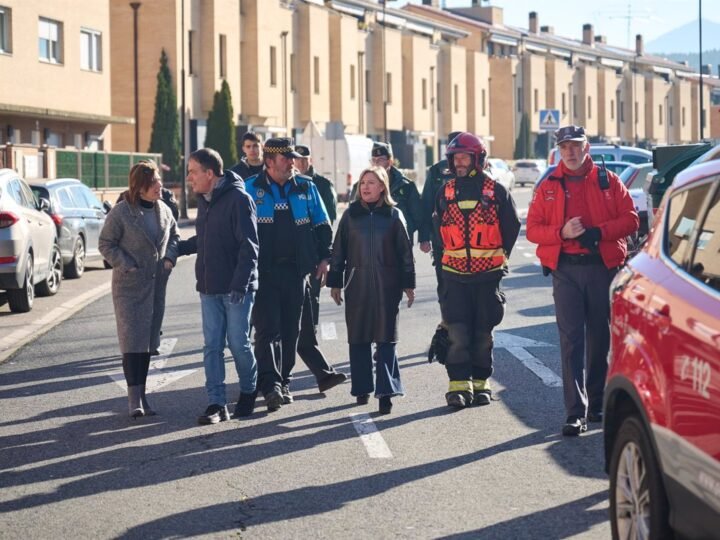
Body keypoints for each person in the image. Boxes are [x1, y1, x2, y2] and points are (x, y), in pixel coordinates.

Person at [526, 125, 638, 436]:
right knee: (571, 341)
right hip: (565, 270)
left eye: (575, 145)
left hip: (602, 268)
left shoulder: (608, 181)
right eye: (564, 147)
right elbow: (533, 229)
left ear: (586, 146)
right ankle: (575, 412)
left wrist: (598, 233)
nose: (570, 152)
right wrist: (561, 233)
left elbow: (631, 219)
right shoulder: (548, 184)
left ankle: (598, 403)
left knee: (600, 338)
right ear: (558, 151)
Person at [245, 137, 333, 411]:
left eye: (293, 158)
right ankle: (270, 384)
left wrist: (325, 258)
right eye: (286, 158)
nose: (293, 163)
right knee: (266, 330)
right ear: (269, 162)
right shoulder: (249, 189)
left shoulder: (307, 187)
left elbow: (322, 225)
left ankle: (284, 382)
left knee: (290, 330)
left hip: (297, 271)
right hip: (263, 272)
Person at [434, 133, 520, 409]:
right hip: (454, 278)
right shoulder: (444, 193)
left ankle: (481, 384)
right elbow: (439, 235)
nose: (459, 163)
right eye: (455, 158)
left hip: (487, 278)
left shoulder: (496, 192)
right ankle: (458, 387)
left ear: (477, 159)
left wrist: (496, 258)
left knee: (483, 334)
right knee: (457, 333)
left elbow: (511, 228)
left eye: (464, 157)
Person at [179, 148, 260, 425]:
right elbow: (203, 240)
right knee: (212, 347)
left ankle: (249, 391)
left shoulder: (239, 199)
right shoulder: (205, 200)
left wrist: (240, 284)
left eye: (193, 171)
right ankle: (217, 403)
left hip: (237, 288)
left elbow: (249, 247)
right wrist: (178, 248)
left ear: (210, 173)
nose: (189, 177)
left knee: (239, 345)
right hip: (209, 287)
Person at [328, 166, 415, 414]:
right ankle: (362, 388)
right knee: (359, 338)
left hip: (388, 287)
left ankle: (386, 392)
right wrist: (335, 281)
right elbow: (338, 251)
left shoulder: (394, 215)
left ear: (383, 187)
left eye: (371, 182)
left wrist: (408, 284)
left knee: (386, 339)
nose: (365, 187)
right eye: (362, 182)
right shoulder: (350, 215)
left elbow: (405, 254)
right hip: (358, 286)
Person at [99, 160, 179, 418]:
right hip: (129, 288)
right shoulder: (122, 212)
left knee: (147, 344)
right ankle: (134, 399)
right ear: (140, 186)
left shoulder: (164, 210)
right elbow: (105, 244)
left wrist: (169, 258)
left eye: (159, 181)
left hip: (156, 288)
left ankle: (143, 395)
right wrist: (126, 264)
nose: (160, 186)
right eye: (154, 182)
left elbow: (175, 237)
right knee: (132, 342)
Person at [292, 144, 347, 393]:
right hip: (288, 262)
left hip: (312, 257)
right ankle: (275, 380)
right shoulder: (282, 185)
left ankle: (311, 346)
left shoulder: (320, 186)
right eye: (296, 159)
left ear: (309, 160)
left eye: (302, 159)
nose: (298, 163)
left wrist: (325, 256)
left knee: (309, 304)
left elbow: (328, 220)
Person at [352, 142, 422, 245]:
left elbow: (418, 217)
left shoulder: (406, 185)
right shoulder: (360, 186)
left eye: (380, 160)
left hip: (399, 244)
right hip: (368, 245)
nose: (376, 164)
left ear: (390, 161)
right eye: (374, 160)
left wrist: (400, 229)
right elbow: (353, 216)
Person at [419, 131, 461, 286]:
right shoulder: (437, 171)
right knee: (444, 287)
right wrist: (424, 237)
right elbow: (426, 204)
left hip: (470, 241)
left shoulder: (476, 171)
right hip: (441, 238)